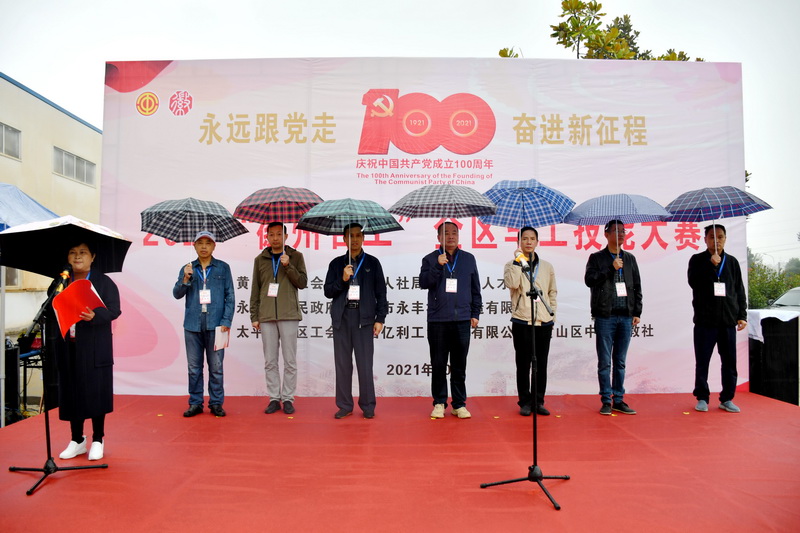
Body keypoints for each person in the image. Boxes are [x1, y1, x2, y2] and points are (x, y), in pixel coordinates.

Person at [53, 241, 121, 462]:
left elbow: (114, 310)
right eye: (72, 252)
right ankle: (77, 440)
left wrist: (95, 316)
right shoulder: (61, 281)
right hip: (69, 347)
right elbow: (51, 305)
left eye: (83, 253)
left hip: (94, 348)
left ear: (92, 257)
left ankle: (98, 439)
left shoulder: (103, 282)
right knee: (72, 393)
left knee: (95, 392)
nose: (77, 257)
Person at [323, 223, 387, 419]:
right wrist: (343, 279)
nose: (355, 239)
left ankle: (368, 405)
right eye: (351, 236)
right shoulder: (336, 264)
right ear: (344, 239)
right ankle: (344, 405)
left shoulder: (373, 263)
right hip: (342, 318)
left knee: (365, 365)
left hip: (364, 319)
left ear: (363, 238)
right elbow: (328, 291)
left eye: (359, 235)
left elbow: (381, 293)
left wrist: (380, 318)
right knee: (343, 365)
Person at [419, 221, 482, 419]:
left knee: (459, 365)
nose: (451, 236)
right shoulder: (430, 259)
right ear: (439, 238)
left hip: (462, 319)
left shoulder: (468, 259)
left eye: (454, 233)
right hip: (438, 320)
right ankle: (439, 402)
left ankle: (459, 404)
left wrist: (475, 313)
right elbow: (423, 283)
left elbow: (475, 288)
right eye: (446, 233)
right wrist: (437, 266)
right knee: (438, 364)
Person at [173, 231, 235, 418]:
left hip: (217, 325)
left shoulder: (223, 268)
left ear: (214, 246)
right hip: (192, 325)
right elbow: (177, 294)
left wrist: (226, 320)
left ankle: (216, 403)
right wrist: (185, 279)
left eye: (208, 243)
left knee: (216, 368)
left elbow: (230, 296)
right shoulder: (187, 268)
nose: (204, 247)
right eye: (200, 243)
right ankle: (195, 403)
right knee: (194, 368)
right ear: (194, 246)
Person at [584, 220, 642, 416]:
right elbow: (589, 280)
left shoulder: (630, 259)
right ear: (606, 234)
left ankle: (618, 399)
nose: (621, 234)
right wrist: (611, 267)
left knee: (620, 361)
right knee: (604, 362)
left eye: (623, 231)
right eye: (616, 231)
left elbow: (637, 287)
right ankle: (606, 400)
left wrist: (637, 312)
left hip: (625, 316)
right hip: (605, 316)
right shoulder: (596, 258)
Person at [688, 224, 747, 413]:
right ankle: (702, 398)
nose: (716, 241)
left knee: (729, 363)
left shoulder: (732, 262)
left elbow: (739, 290)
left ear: (725, 239)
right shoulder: (697, 260)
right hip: (705, 322)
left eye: (720, 237)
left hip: (728, 321)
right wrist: (710, 265)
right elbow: (693, 282)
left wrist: (742, 315)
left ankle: (727, 398)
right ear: (705, 239)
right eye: (712, 237)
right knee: (702, 361)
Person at [250, 222, 308, 415]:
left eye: (279, 234)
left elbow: (302, 282)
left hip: (289, 314)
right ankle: (274, 398)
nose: (275, 238)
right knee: (270, 361)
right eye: (271, 235)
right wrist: (254, 315)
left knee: (290, 360)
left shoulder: (296, 256)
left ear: (286, 236)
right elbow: (256, 289)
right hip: (266, 315)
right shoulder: (260, 259)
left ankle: (288, 398)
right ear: (266, 237)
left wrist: (288, 265)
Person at [503, 227, 557, 416]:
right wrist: (518, 262)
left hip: (544, 322)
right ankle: (525, 402)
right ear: (519, 242)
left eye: (532, 238)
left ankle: (538, 401)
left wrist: (552, 315)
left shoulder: (547, 267)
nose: (528, 242)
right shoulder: (511, 264)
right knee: (523, 364)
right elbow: (512, 284)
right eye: (524, 238)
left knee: (541, 364)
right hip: (522, 320)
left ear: (537, 242)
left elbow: (552, 292)